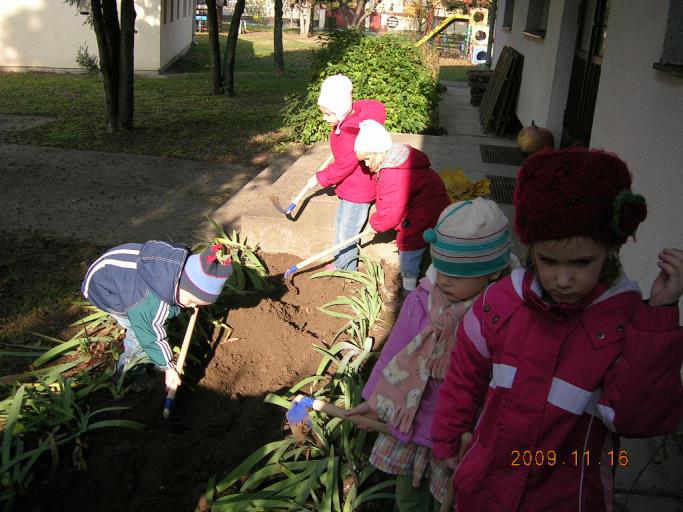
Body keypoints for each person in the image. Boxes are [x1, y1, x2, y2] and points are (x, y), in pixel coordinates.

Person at [431, 147, 683, 512]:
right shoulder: (501, 304)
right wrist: (448, 437)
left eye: (582, 262)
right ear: (531, 249)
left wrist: (659, 316)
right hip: (484, 487)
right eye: (548, 261)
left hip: (567, 496)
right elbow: (464, 376)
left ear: (611, 249)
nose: (563, 279)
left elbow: (634, 417)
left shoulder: (627, 322)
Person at [347, 198, 515, 511]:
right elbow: (393, 354)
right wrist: (374, 400)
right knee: (408, 499)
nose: (444, 280)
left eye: (458, 274)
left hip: (458, 438)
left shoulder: (501, 320)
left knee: (447, 500)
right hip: (412, 420)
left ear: (493, 274)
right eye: (440, 268)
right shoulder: (423, 302)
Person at [81, 240, 233, 389]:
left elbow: (178, 298)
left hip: (115, 269)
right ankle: (128, 370)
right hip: (103, 291)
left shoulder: (177, 263)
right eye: (191, 301)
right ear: (181, 287)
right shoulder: (146, 304)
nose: (194, 306)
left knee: (160, 314)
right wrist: (168, 367)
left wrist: (182, 303)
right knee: (139, 336)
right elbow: (150, 337)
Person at [354, 119, 451, 303]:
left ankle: (409, 290)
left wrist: (377, 223)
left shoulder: (394, 174)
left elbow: (391, 211)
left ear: (378, 152)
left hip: (423, 212)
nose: (366, 165)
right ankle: (430, 269)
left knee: (409, 246)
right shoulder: (399, 160)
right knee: (429, 240)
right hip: (433, 205)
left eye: (367, 159)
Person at [308, 74, 386, 272]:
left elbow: (344, 165)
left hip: (357, 191)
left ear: (340, 110)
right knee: (342, 224)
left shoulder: (349, 135)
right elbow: (366, 105)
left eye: (328, 114)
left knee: (348, 230)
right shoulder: (356, 117)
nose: (324, 118)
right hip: (354, 186)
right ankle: (341, 262)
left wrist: (321, 177)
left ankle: (346, 267)